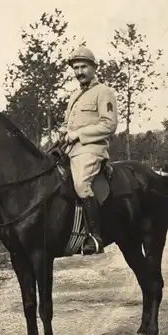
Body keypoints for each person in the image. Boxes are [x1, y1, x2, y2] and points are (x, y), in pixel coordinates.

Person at [58, 46, 118, 254]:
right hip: (70, 150)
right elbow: (68, 123)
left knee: (81, 183)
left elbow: (109, 125)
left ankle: (95, 236)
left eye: (83, 66)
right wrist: (64, 130)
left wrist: (79, 134)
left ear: (94, 67)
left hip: (92, 149)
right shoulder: (75, 95)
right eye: (75, 68)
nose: (79, 72)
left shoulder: (104, 92)